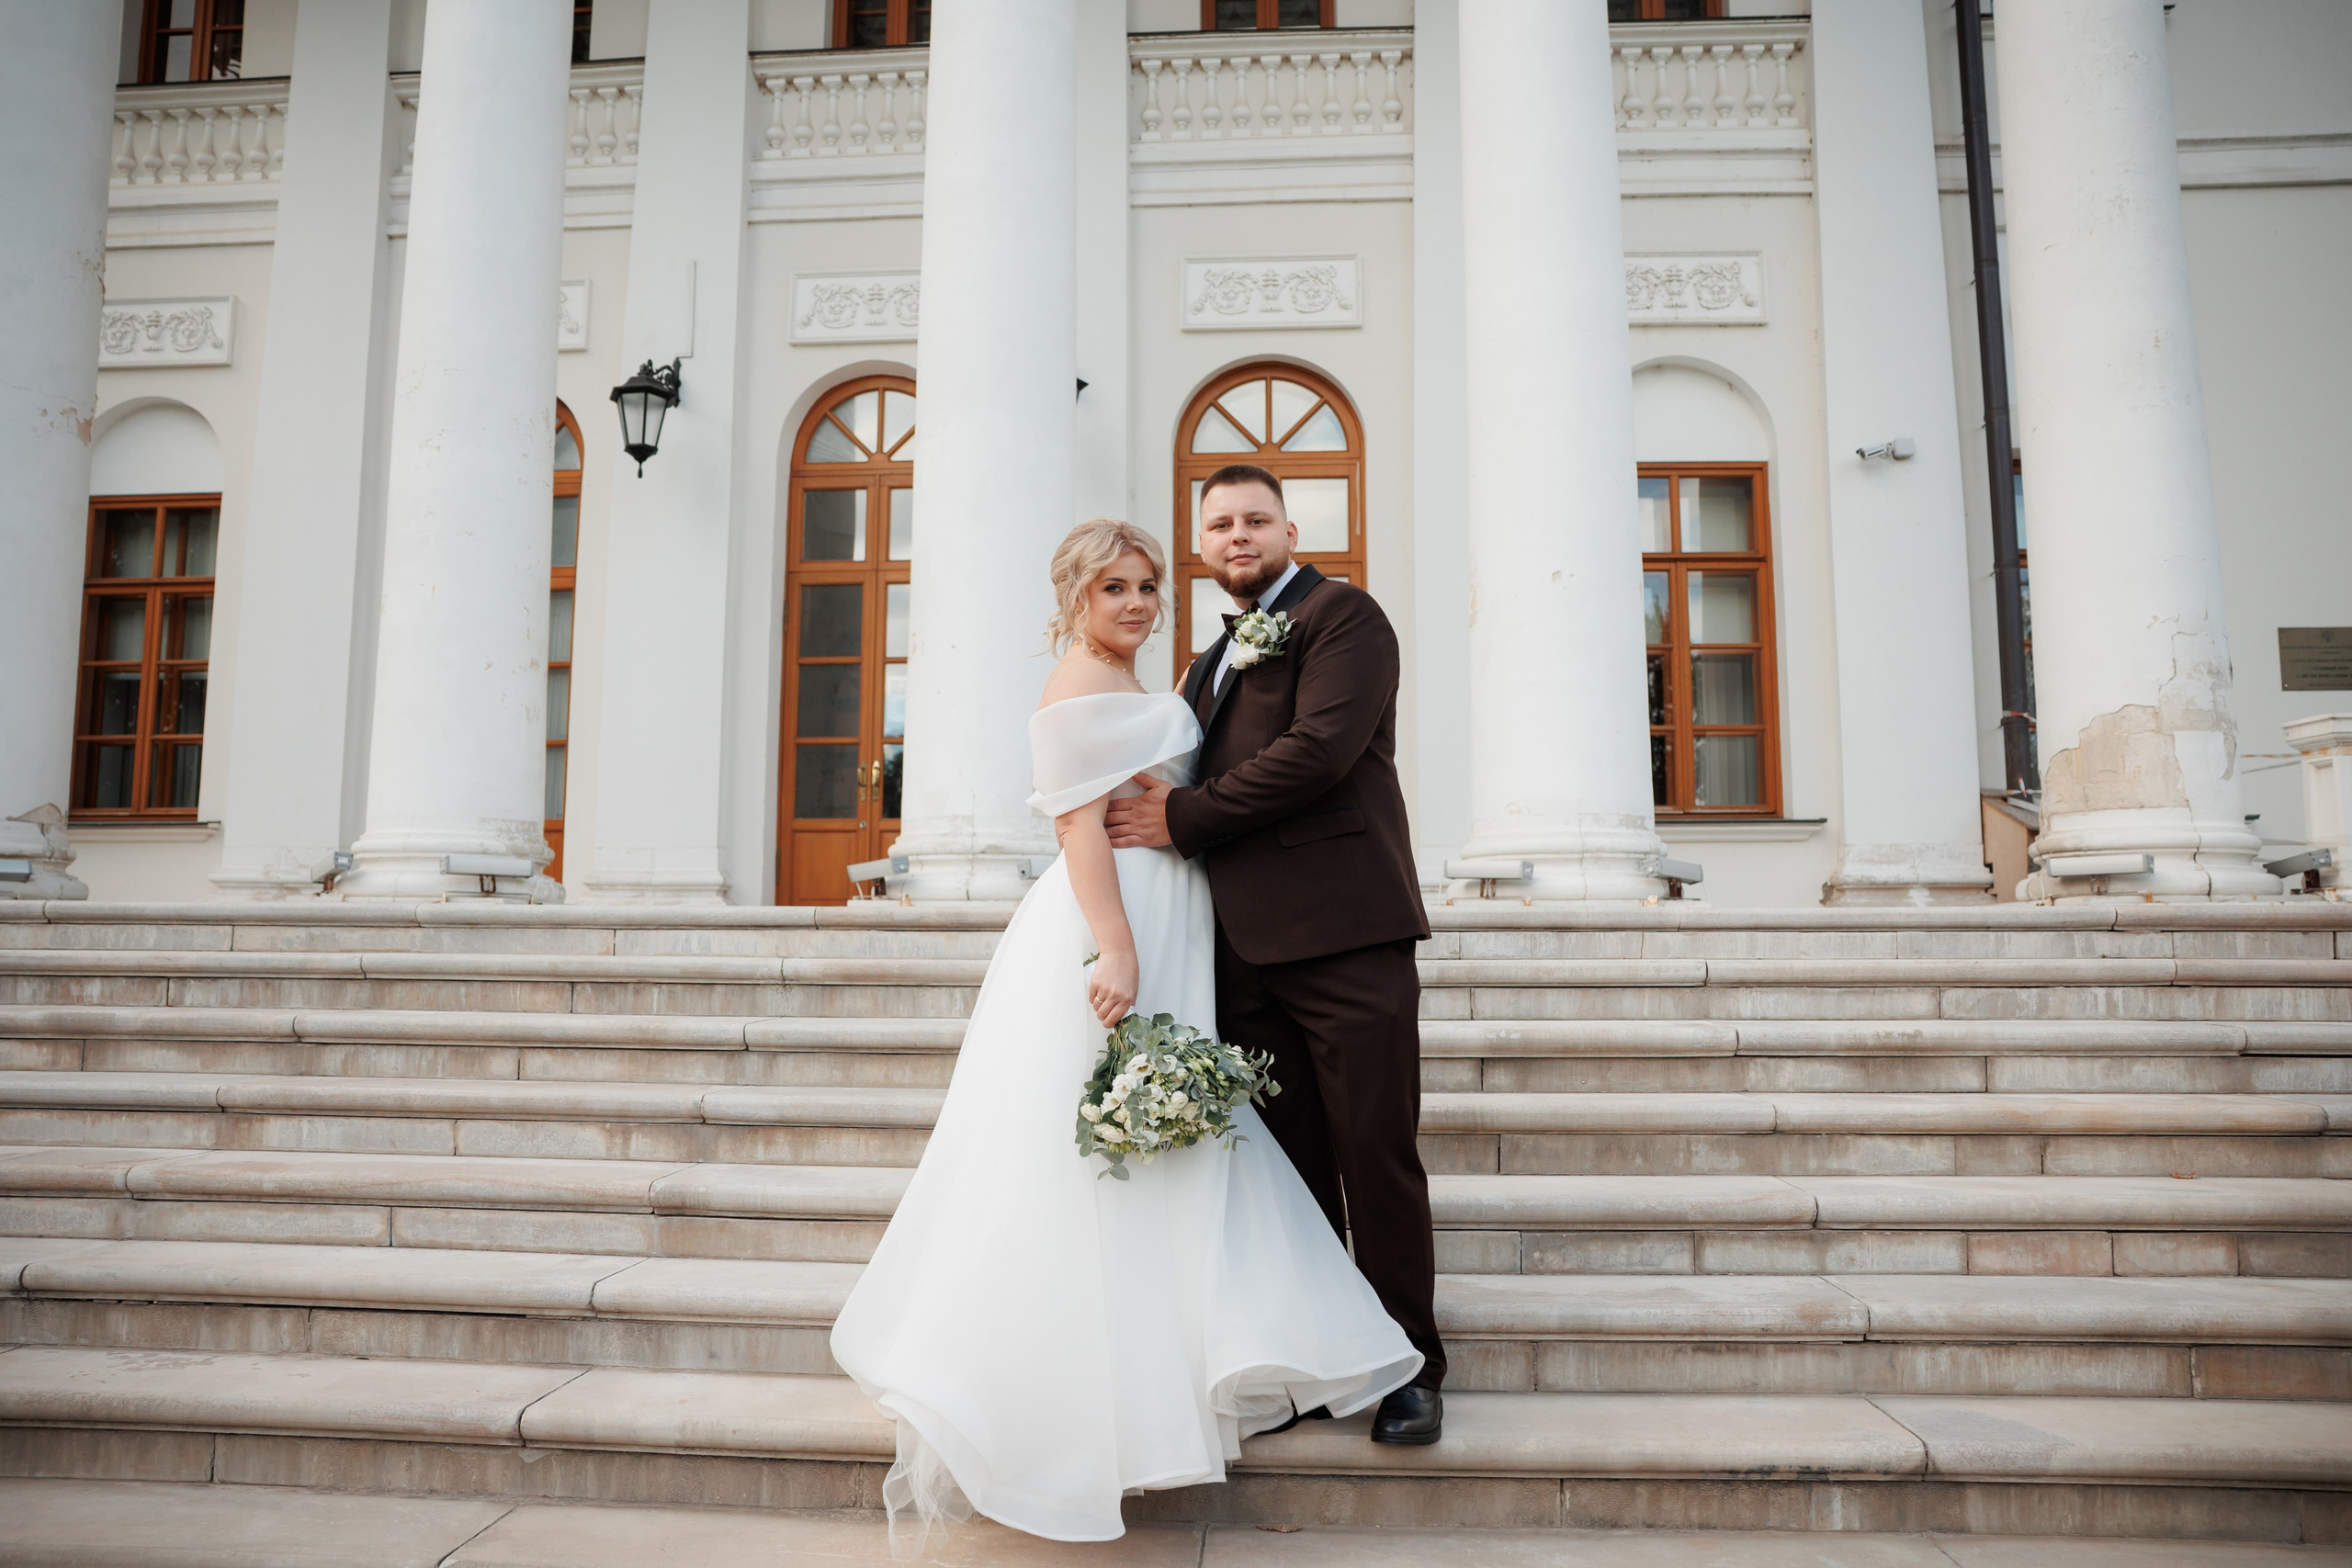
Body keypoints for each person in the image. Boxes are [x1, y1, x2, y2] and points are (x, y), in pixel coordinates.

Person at [829, 517, 1420, 1545]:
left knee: (1185, 1150)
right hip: (1124, 924)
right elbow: (1075, 825)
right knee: (1112, 1152)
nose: (1137, 602)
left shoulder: (1179, 676)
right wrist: (1114, 947)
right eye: (1114, 588)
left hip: (1191, 918)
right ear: (1074, 598)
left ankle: (1193, 1363)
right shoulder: (1074, 689)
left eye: (1146, 583)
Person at [1104, 463, 1443, 1444]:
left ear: (1290, 528)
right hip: (1240, 952)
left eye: (1255, 519)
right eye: (1219, 524)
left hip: (1345, 934)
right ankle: (1319, 1359)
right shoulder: (1206, 664)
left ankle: (1412, 1365)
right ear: (1201, 544)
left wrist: (1180, 817)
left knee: (1372, 1154)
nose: (1237, 535)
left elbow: (1319, 752)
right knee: (1287, 1171)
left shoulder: (1345, 618)